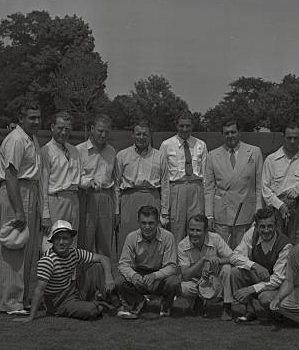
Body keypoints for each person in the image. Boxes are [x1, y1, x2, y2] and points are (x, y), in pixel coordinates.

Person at [14, 221, 115, 322]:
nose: (61, 242)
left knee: (97, 266)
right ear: (52, 241)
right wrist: (31, 317)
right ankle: (99, 303)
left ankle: (111, 301)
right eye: (57, 238)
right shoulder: (48, 260)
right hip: (59, 302)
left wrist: (109, 278)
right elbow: (39, 290)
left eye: (65, 238)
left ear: (71, 240)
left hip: (73, 290)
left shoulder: (74, 252)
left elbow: (103, 258)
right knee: (91, 311)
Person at [0, 103, 42, 315]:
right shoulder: (16, 139)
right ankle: (11, 301)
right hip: (16, 192)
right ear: (21, 118)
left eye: (38, 117)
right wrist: (18, 210)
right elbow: (11, 175)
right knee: (14, 247)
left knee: (27, 248)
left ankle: (21, 298)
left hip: (29, 190)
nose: (36, 121)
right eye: (32, 118)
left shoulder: (30, 138)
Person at [76, 114, 120, 301]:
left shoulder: (111, 151)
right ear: (92, 129)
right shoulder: (78, 151)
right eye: (100, 130)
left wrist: (116, 210)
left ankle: (105, 289)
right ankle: (84, 289)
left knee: (105, 247)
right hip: (86, 198)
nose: (103, 134)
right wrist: (87, 182)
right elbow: (73, 177)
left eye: (106, 131)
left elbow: (116, 183)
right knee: (85, 246)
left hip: (106, 199)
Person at [205, 120, 264, 249]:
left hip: (246, 214)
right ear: (222, 134)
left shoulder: (254, 152)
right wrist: (209, 215)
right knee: (223, 254)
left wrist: (258, 213)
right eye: (226, 133)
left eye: (233, 132)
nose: (230, 136)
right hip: (222, 215)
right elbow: (209, 188)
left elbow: (259, 187)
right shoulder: (212, 155)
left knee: (243, 255)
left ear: (239, 133)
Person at [115, 120, 170, 255]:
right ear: (132, 135)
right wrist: (116, 211)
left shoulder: (160, 156)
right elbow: (116, 185)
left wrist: (164, 212)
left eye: (145, 134)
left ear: (150, 135)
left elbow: (165, 185)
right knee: (128, 239)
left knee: (151, 237)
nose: (141, 137)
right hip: (129, 199)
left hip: (152, 197)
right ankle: (126, 272)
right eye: (138, 134)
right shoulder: (122, 155)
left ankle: (151, 272)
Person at [229, 207, 292, 322]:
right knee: (235, 272)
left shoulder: (285, 244)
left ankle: (277, 316)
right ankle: (248, 311)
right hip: (260, 278)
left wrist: (251, 289)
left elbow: (278, 279)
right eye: (262, 226)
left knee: (265, 298)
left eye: (270, 226)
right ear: (256, 226)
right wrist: (254, 265)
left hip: (277, 287)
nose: (266, 230)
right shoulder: (251, 234)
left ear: (276, 225)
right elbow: (234, 256)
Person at [117, 205, 179, 319]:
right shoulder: (131, 237)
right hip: (139, 275)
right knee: (120, 281)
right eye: (143, 223)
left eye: (151, 223)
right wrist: (133, 275)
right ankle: (138, 302)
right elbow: (123, 264)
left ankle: (165, 305)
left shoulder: (168, 237)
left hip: (159, 276)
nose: (147, 227)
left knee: (173, 282)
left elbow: (171, 266)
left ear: (158, 223)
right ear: (138, 222)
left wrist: (155, 275)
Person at [159, 112, 208, 243]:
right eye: (181, 125)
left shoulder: (201, 145)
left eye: (188, 126)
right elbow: (162, 174)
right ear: (176, 125)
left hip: (196, 188)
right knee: (177, 227)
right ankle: (174, 261)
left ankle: (194, 260)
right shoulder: (166, 145)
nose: (185, 129)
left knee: (196, 227)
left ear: (192, 126)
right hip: (176, 189)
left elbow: (206, 175)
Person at [177, 214, 236, 319]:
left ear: (206, 231)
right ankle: (198, 300)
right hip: (196, 280)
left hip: (214, 277)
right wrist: (203, 260)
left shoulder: (215, 238)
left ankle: (227, 306)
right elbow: (185, 275)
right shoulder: (182, 245)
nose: (194, 234)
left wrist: (218, 260)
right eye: (191, 230)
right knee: (183, 287)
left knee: (227, 268)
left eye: (198, 230)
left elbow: (233, 258)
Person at [262, 122, 299, 241]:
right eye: (289, 138)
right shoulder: (271, 160)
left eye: (295, 138)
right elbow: (265, 189)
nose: (292, 141)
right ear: (283, 137)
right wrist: (280, 206)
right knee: (277, 243)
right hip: (276, 208)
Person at [40, 112, 82, 244]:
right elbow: (43, 186)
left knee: (71, 242)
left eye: (67, 129)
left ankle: (70, 265)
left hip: (73, 200)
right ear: (52, 127)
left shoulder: (74, 151)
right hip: (55, 200)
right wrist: (45, 215)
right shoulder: (46, 151)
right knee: (53, 241)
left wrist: (90, 181)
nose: (64, 132)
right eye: (60, 128)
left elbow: (78, 177)